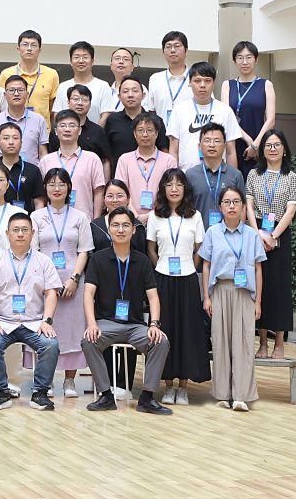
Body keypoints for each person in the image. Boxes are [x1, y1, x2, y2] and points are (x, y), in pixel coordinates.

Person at [78, 208, 174, 414]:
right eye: (115, 225)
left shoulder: (143, 260)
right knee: (88, 341)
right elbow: (88, 294)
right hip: (106, 324)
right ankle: (106, 395)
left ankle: (147, 397)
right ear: (109, 229)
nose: (120, 230)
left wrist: (154, 324)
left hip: (135, 326)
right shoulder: (97, 259)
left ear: (133, 230)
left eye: (125, 225)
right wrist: (92, 324)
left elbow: (153, 296)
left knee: (161, 341)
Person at [0, 212, 62, 411]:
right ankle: (1, 392)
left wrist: (47, 321)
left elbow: (51, 292)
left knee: (50, 344)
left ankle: (40, 393)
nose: (20, 234)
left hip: (34, 323)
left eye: (25, 230)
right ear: (7, 233)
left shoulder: (44, 261)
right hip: (4, 322)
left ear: (32, 233)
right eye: (15, 230)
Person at [201, 186, 266, 411]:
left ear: (243, 207)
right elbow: (206, 265)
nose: (231, 206)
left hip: (244, 293)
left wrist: (258, 301)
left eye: (236, 202)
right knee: (220, 342)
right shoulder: (212, 232)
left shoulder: (251, 235)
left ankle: (241, 395)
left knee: (244, 343)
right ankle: (222, 393)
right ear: (220, 207)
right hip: (220, 290)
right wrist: (206, 297)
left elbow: (258, 269)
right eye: (227, 202)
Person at [33, 168, 95, 398]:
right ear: (45, 188)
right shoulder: (36, 217)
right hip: (44, 283)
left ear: (69, 188)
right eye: (51, 184)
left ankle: (70, 381)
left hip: (73, 283)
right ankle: (46, 379)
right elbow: (34, 251)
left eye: (61, 184)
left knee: (72, 330)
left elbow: (84, 251)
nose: (56, 188)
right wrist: (48, 283)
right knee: (46, 331)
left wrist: (75, 279)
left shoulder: (80, 217)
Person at [146, 170, 206, 404]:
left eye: (179, 184)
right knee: (166, 330)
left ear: (185, 189)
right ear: (163, 188)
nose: (174, 189)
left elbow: (200, 249)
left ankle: (183, 387)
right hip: (162, 279)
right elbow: (151, 249)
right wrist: (160, 266)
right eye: (169, 184)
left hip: (188, 279)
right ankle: (168, 386)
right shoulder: (155, 216)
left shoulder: (195, 216)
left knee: (187, 332)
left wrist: (191, 266)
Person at [248, 129, 296, 360]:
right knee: (261, 286)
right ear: (262, 150)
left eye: (277, 144)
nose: (272, 148)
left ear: (284, 149)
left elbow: (291, 210)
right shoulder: (254, 174)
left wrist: (274, 236)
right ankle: (262, 343)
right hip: (257, 232)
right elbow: (248, 206)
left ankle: (279, 344)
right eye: (268, 145)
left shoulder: (292, 177)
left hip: (280, 232)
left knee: (279, 288)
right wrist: (257, 234)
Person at [165, 62, 246, 166]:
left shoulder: (225, 111)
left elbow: (231, 152)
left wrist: (232, 175)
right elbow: (173, 150)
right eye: (197, 81)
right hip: (186, 173)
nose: (202, 85)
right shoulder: (179, 110)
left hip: (219, 173)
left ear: (214, 82)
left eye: (207, 81)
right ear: (189, 82)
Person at [223, 41, 277, 169]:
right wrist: (248, 140)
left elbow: (271, 120)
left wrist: (256, 145)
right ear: (234, 61)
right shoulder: (227, 85)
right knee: (234, 179)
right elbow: (227, 117)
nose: (244, 62)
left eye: (249, 57)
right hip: (233, 144)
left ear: (256, 60)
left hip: (259, 143)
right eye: (240, 58)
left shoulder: (266, 85)